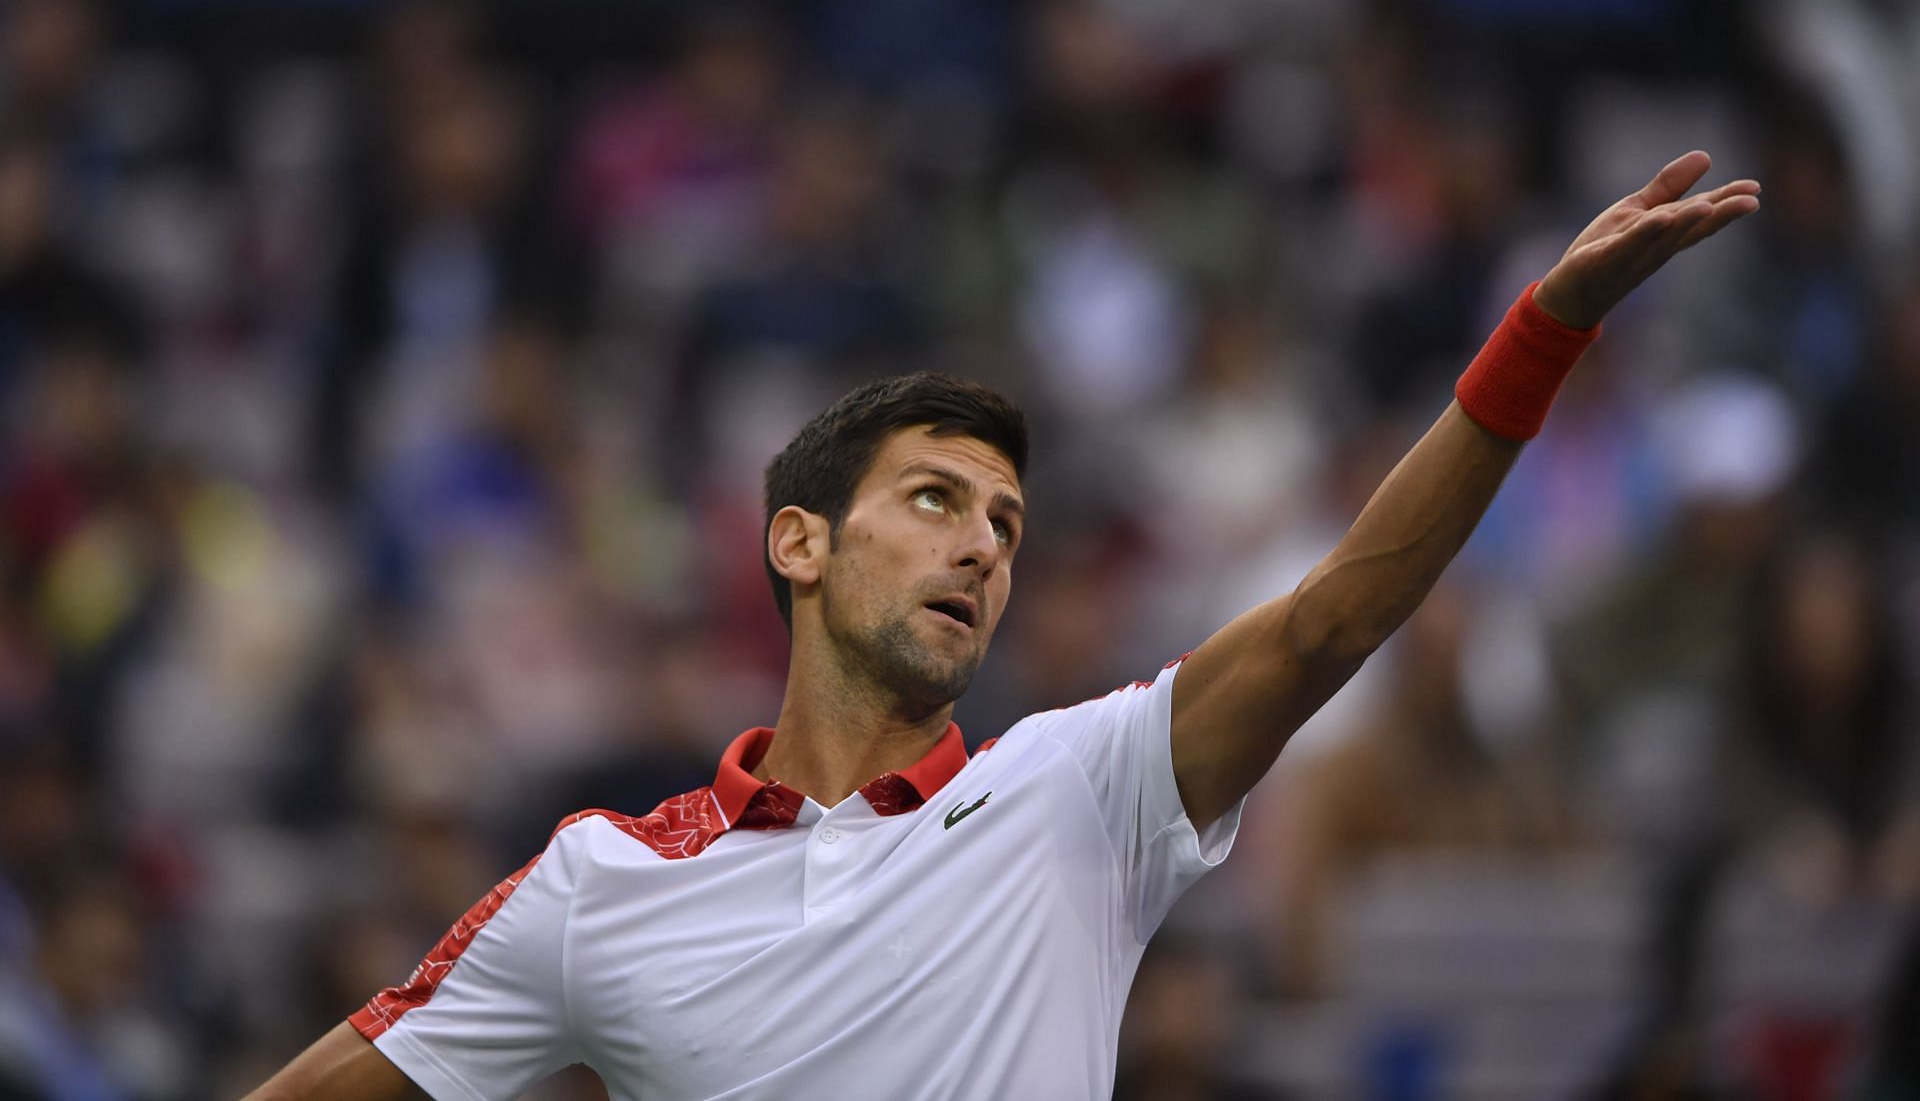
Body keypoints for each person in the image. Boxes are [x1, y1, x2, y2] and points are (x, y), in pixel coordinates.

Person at [242, 153, 1760, 1100]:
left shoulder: (1078, 795)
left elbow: (1333, 620)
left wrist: (1543, 329)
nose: (981, 541)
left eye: (1007, 526)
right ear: (799, 544)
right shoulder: (595, 887)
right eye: (933, 500)